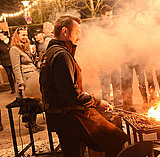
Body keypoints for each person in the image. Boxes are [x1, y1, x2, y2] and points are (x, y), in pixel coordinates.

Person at [40, 15, 127, 157]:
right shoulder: (62, 55)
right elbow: (70, 93)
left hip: (60, 116)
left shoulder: (50, 52)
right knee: (115, 138)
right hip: (69, 118)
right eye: (77, 33)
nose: (79, 38)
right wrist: (96, 103)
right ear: (64, 31)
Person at [9, 27, 44, 133]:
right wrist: (21, 84)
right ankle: (30, 124)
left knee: (35, 103)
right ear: (17, 36)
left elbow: (30, 62)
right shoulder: (14, 49)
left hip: (33, 77)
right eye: (22, 35)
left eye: (26, 35)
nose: (25, 37)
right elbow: (16, 68)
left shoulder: (25, 47)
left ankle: (33, 123)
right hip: (25, 79)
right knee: (29, 103)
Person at [98, 5, 122, 106]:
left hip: (115, 60)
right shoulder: (98, 29)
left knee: (117, 85)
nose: (110, 17)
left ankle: (119, 106)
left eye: (111, 15)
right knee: (105, 86)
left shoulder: (116, 27)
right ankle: (107, 107)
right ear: (102, 16)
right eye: (108, 15)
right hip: (104, 61)